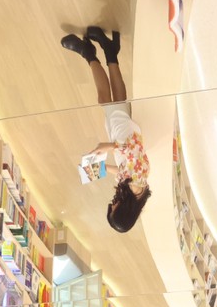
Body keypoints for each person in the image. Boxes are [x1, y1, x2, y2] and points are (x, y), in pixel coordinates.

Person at [61, 26, 150, 233]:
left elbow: (122, 172)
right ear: (123, 211)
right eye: (114, 207)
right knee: (105, 99)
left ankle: (110, 50)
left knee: (118, 99)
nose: (113, 203)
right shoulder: (136, 186)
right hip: (124, 137)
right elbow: (134, 152)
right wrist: (107, 147)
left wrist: (98, 170)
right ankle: (88, 53)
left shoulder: (135, 193)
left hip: (125, 136)